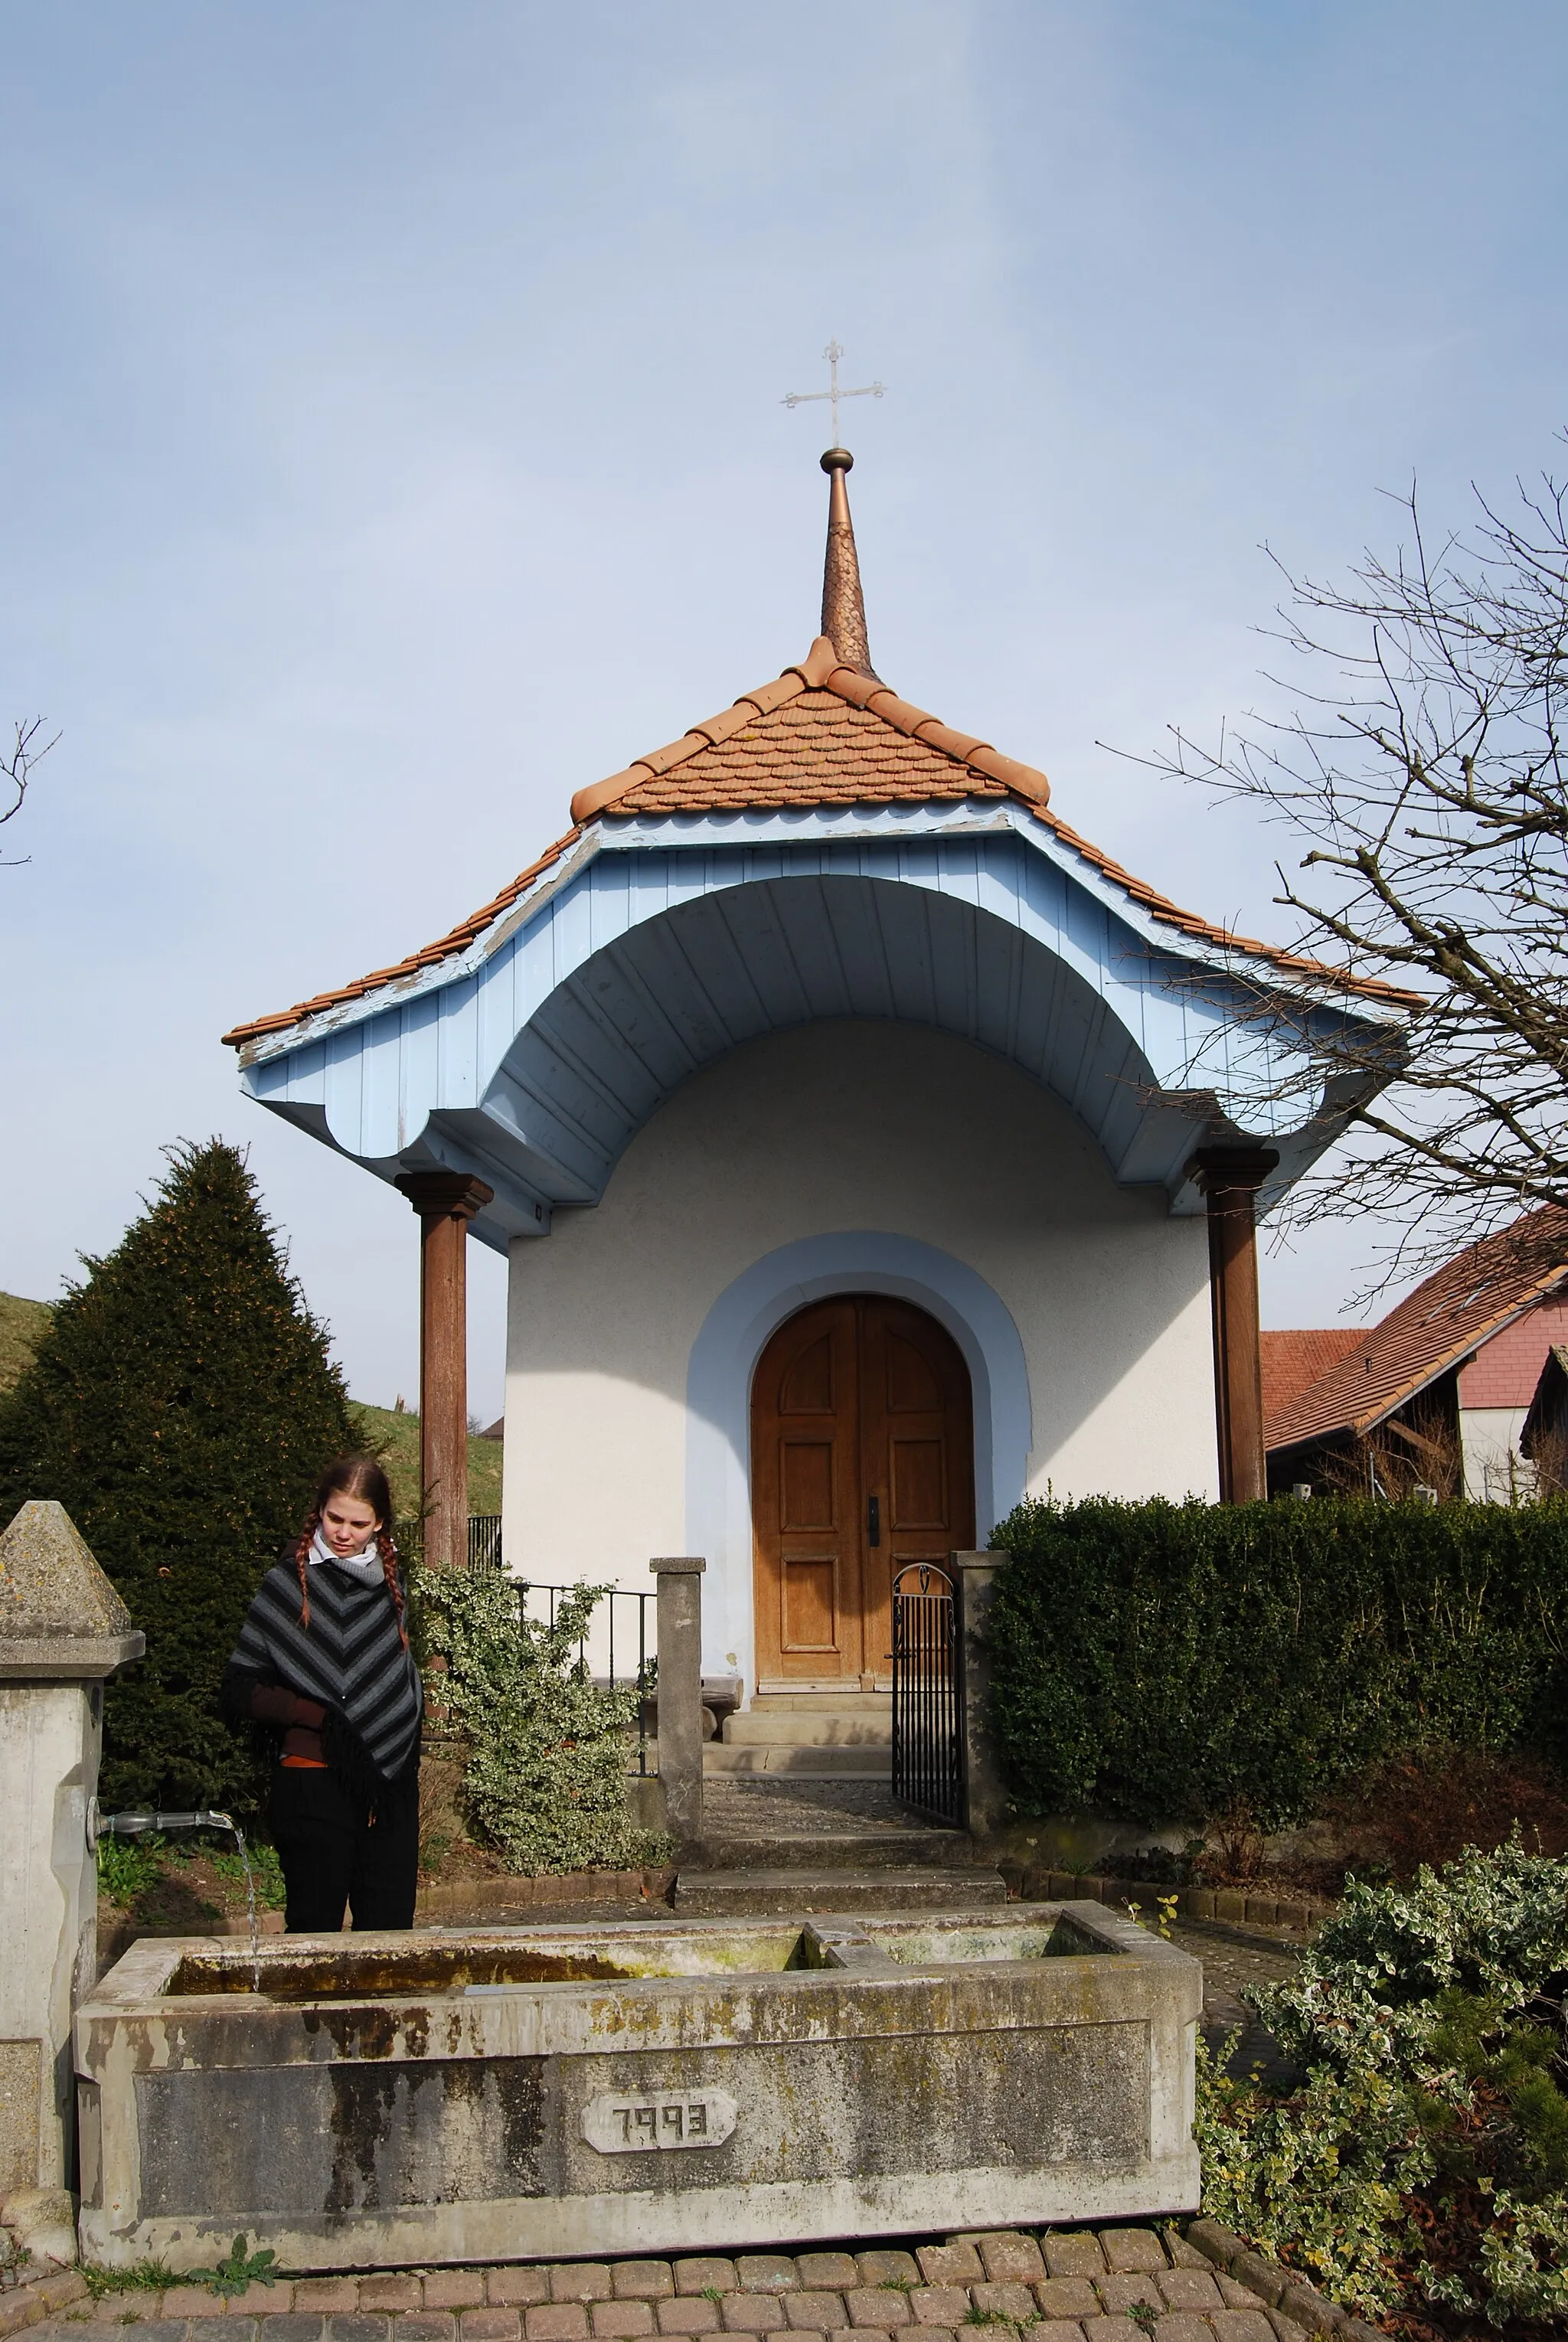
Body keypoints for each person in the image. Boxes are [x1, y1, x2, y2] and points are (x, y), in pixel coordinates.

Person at [220, 1455, 423, 1932]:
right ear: (319, 1511)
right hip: (311, 1779)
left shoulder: (395, 1584)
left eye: (359, 1523)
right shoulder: (285, 1583)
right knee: (313, 1929)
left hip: (389, 1785)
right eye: (335, 1518)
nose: (344, 1533)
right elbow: (240, 1688)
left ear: (379, 1524)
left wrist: (391, 1719)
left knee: (390, 1931)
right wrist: (319, 1715)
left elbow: (395, 1675)